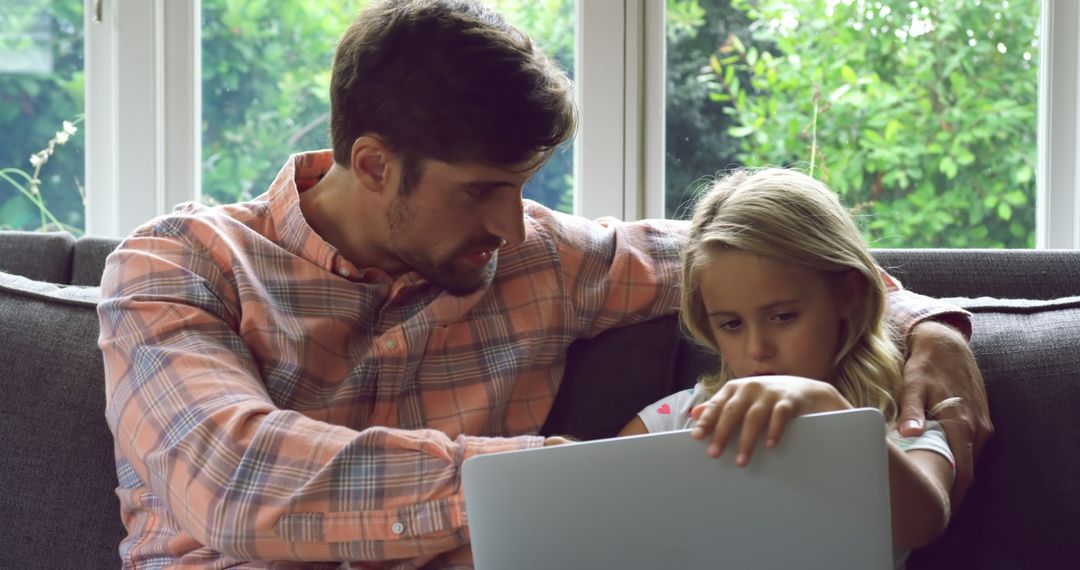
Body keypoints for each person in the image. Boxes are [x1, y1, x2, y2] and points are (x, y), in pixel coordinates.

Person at [97, 1, 990, 567]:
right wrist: (581, 484)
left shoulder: (533, 259)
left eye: (523, 187)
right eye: (483, 190)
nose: (512, 227)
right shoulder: (180, 267)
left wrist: (933, 327)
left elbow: (773, 255)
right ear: (373, 164)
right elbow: (241, 484)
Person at [619, 167, 960, 567]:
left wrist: (831, 408)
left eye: (782, 317)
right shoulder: (673, 420)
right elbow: (602, 525)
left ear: (848, 294)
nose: (757, 348)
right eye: (731, 324)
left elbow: (924, 522)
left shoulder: (898, 424)